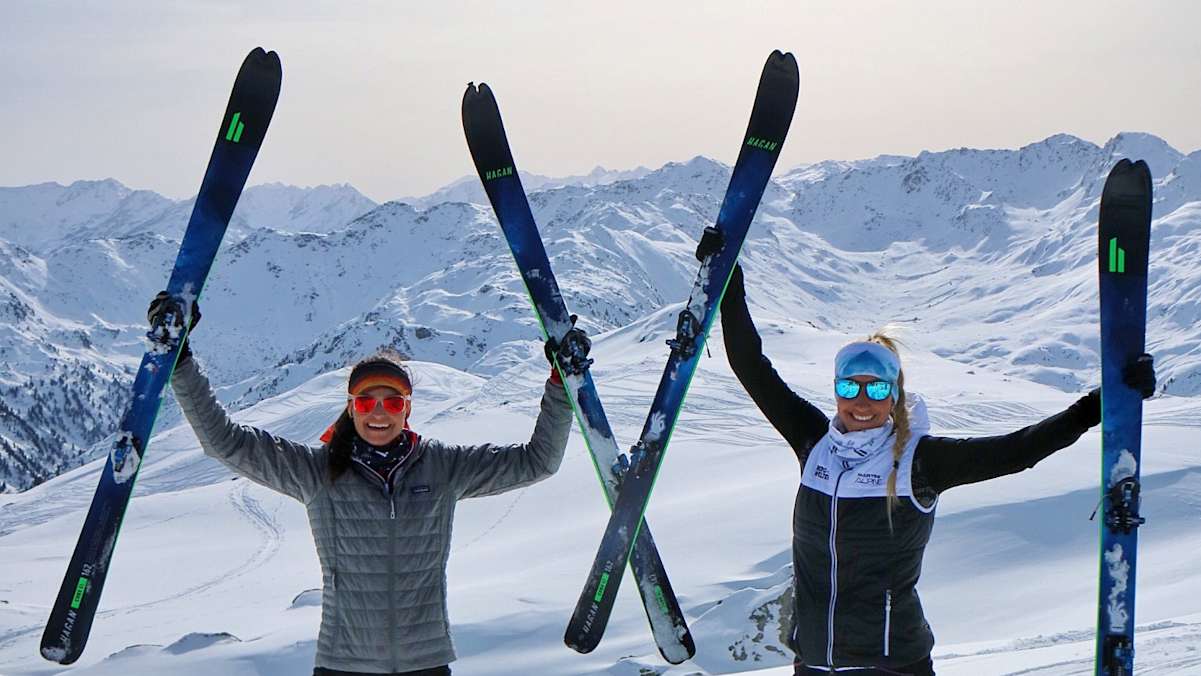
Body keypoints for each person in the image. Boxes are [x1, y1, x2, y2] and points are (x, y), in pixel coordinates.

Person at [716, 264, 1155, 676]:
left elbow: (1018, 451)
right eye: (850, 387)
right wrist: (729, 279)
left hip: (892, 665)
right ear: (836, 392)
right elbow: (750, 367)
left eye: (877, 389)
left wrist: (1098, 404)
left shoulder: (918, 462)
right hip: (812, 663)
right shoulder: (814, 446)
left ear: (894, 396)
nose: (862, 402)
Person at [149, 292, 580, 676]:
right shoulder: (317, 472)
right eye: (366, 401)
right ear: (351, 409)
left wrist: (562, 385)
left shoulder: (443, 467)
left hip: (426, 664)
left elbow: (537, 461)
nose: (379, 412)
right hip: (343, 666)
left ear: (407, 409)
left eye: (392, 401)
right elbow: (225, 442)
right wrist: (180, 361)